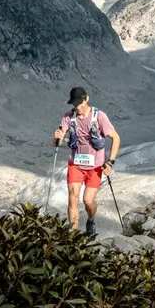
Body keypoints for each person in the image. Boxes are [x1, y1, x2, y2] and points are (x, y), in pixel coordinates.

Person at [52, 87, 120, 234]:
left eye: (79, 104)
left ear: (86, 99)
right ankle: (73, 236)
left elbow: (116, 138)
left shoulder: (100, 116)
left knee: (88, 201)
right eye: (74, 105)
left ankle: (91, 219)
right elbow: (58, 140)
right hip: (75, 164)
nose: (77, 107)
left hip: (95, 166)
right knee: (73, 197)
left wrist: (110, 162)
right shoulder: (68, 117)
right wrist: (57, 137)